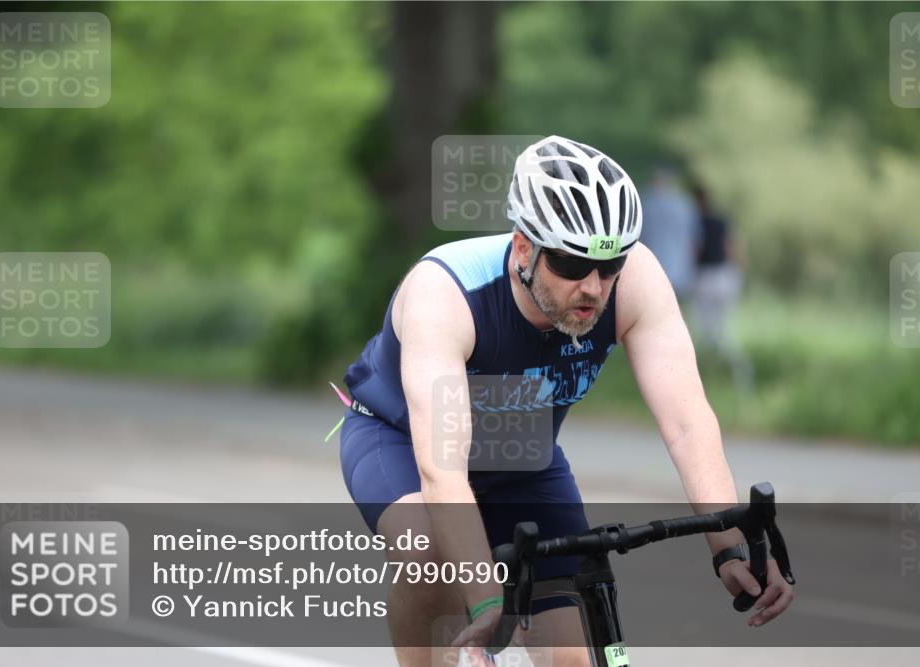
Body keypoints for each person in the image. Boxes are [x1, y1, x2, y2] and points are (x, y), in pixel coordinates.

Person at [339, 136, 792, 666]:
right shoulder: (446, 294)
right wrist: (485, 596)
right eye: (572, 265)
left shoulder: (637, 280)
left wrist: (730, 544)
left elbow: (688, 422)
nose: (594, 288)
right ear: (524, 247)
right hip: (401, 442)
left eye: (609, 265)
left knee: (574, 652)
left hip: (522, 451)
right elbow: (443, 469)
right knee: (431, 557)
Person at [692, 183, 754, 393]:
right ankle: (732, 377)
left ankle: (702, 382)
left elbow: (696, 251)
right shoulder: (720, 221)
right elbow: (732, 248)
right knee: (721, 331)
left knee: (706, 332)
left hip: (706, 279)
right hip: (725, 277)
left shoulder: (695, 221)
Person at [638, 165, 701, 302]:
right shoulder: (685, 204)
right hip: (680, 269)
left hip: (652, 269)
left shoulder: (646, 203)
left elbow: (639, 239)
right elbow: (694, 241)